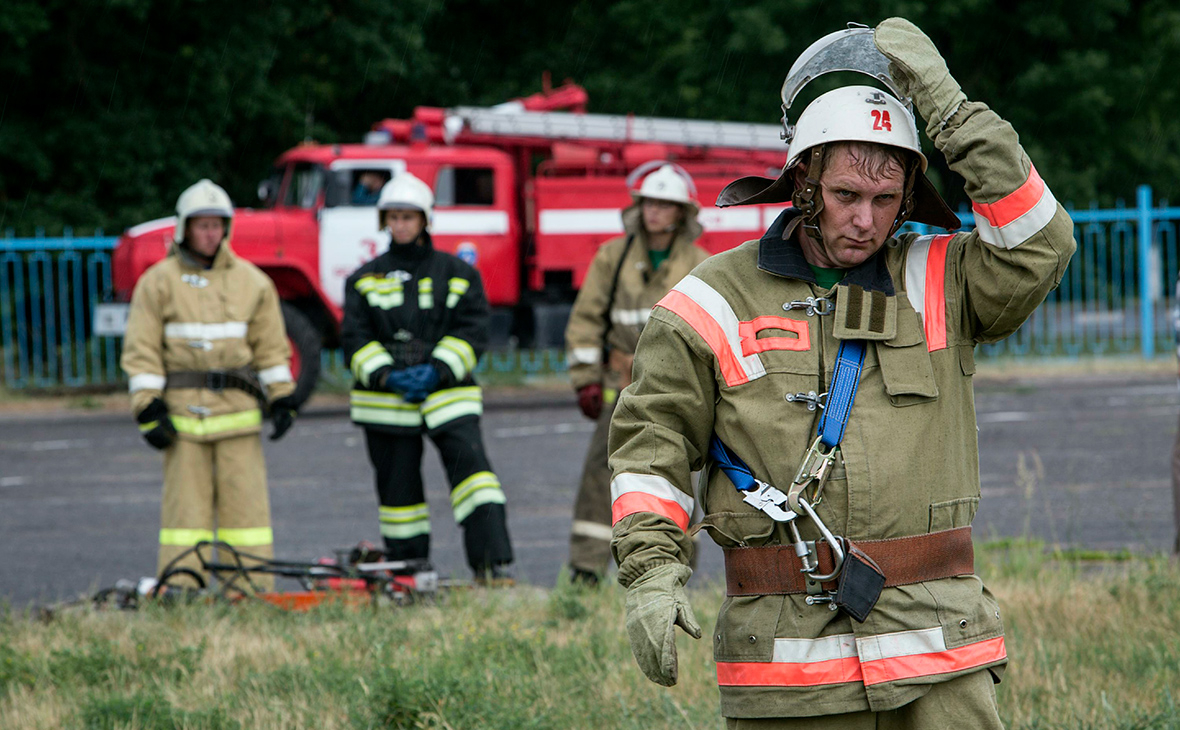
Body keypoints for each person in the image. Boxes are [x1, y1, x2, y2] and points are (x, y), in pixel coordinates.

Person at [608, 18, 1075, 727]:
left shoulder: (944, 278)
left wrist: (950, 114)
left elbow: (1042, 242)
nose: (865, 220)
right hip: (789, 668)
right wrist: (650, 571)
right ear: (802, 182)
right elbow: (651, 447)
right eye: (846, 195)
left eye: (886, 201)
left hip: (941, 658)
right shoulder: (708, 302)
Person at [122, 179, 298, 592]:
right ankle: (183, 590)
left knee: (247, 516)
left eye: (217, 225)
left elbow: (271, 347)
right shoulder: (158, 282)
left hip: (237, 416)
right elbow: (141, 350)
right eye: (201, 225)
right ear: (184, 227)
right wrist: (148, 408)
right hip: (181, 418)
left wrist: (283, 397)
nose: (209, 233)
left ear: (227, 228)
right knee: (185, 518)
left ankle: (251, 592)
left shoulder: (252, 283)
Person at [341, 172, 514, 583]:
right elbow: (354, 337)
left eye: (408, 216)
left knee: (475, 480)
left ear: (425, 220)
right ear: (384, 221)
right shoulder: (364, 278)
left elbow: (474, 330)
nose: (400, 224)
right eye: (393, 217)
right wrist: (386, 375)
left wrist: (436, 369)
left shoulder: (457, 273)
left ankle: (492, 567)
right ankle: (409, 571)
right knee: (399, 498)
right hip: (386, 401)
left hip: (448, 397)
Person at [564, 164, 710, 585]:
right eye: (649, 202)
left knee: (676, 475)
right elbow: (586, 319)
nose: (655, 211)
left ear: (682, 212)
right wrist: (585, 379)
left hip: (675, 388)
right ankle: (586, 569)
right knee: (601, 472)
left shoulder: (700, 263)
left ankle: (673, 569)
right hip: (619, 385)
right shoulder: (614, 256)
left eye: (666, 204)